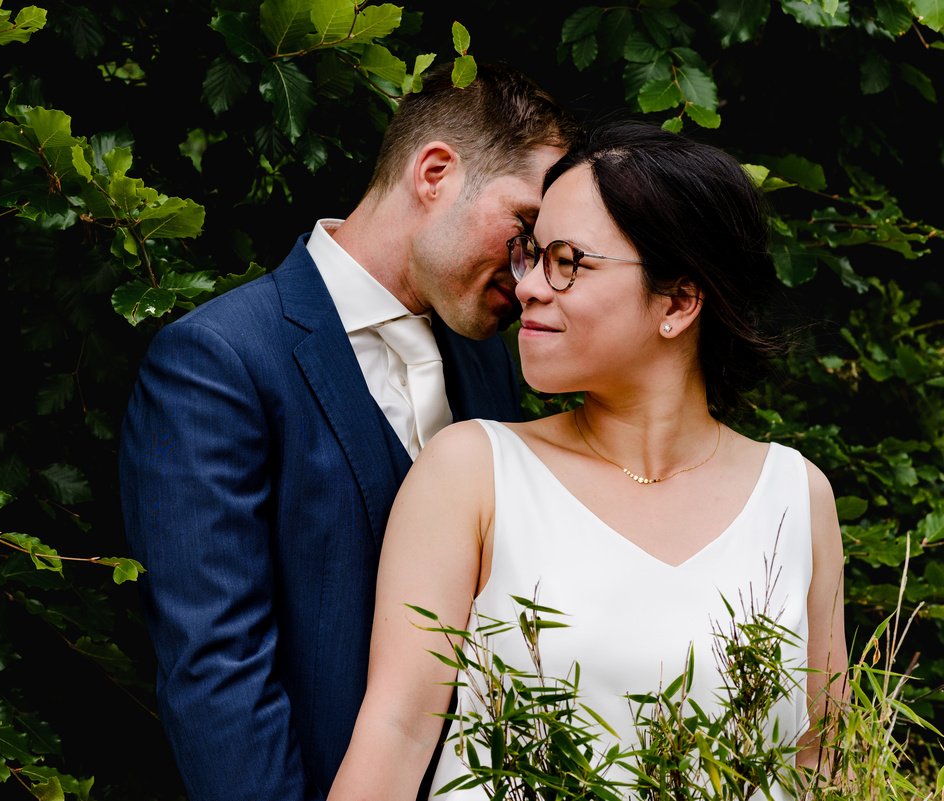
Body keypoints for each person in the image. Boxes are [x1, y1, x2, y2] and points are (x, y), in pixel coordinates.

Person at [328, 121, 848, 800]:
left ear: (679, 300)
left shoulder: (796, 496)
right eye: (531, 255)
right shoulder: (473, 471)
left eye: (568, 260)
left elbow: (824, 759)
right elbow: (395, 733)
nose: (530, 288)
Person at [118, 63, 583, 801]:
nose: (530, 274)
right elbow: (216, 670)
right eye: (524, 229)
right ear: (435, 173)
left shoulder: (490, 362)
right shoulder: (221, 361)